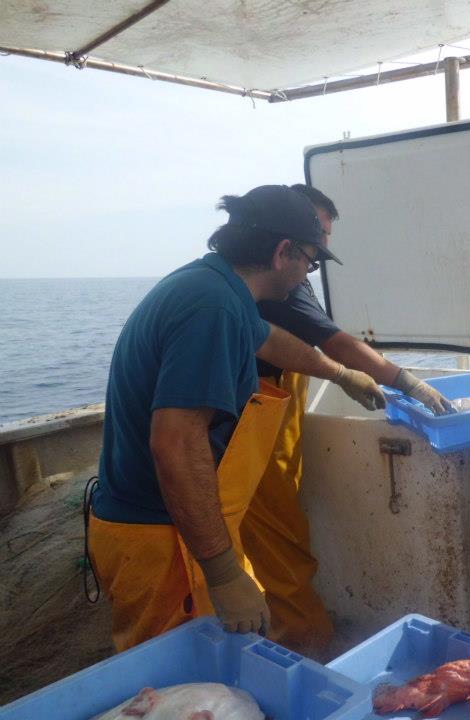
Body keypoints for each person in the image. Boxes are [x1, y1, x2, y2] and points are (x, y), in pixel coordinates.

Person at [88, 185, 385, 652]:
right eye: (311, 259)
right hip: (156, 531)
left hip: (162, 522)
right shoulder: (212, 306)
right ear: (283, 251)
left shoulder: (216, 285)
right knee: (173, 688)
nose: (310, 271)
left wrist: (341, 372)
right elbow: (176, 445)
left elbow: (266, 339)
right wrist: (224, 572)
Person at [239, 183, 452, 657]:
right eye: (316, 242)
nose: (320, 252)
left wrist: (341, 374)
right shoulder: (259, 288)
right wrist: (406, 382)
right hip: (251, 418)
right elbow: (334, 343)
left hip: (278, 409)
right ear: (284, 245)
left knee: (278, 527)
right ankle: (304, 645)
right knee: (278, 538)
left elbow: (285, 341)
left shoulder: (287, 279)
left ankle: (277, 634)